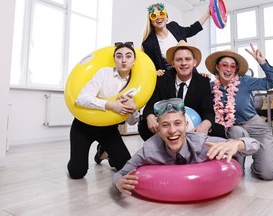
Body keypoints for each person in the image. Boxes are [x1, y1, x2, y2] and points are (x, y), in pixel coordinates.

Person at [114, 98, 260, 195]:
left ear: (186, 125)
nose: (172, 131)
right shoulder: (149, 150)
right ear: (158, 128)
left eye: (177, 123)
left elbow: (255, 145)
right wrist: (117, 183)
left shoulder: (202, 143)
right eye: (165, 125)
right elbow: (120, 174)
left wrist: (237, 143)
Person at [204, 44, 273, 180]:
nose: (228, 69)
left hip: (256, 127)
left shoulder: (245, 82)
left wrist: (262, 62)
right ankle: (238, 169)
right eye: (224, 65)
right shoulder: (210, 87)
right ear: (217, 67)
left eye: (232, 66)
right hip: (234, 129)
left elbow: (272, 81)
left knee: (267, 174)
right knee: (236, 132)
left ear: (237, 69)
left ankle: (265, 164)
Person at [67, 42, 139, 179]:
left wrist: (134, 110)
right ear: (114, 59)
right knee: (77, 172)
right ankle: (102, 150)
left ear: (134, 61)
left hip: (108, 130)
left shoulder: (138, 84)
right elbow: (81, 99)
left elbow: (131, 122)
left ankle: (104, 150)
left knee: (126, 168)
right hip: (83, 126)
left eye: (128, 56)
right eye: (119, 56)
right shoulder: (104, 73)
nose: (123, 60)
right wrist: (111, 105)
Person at [138, 40, 223, 141]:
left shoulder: (202, 82)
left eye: (188, 59)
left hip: (192, 126)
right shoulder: (162, 79)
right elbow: (152, 103)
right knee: (144, 125)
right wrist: (150, 117)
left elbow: (208, 110)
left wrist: (205, 124)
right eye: (179, 60)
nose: (183, 63)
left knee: (219, 130)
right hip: (168, 126)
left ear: (194, 62)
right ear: (172, 63)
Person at [141, 2, 210, 76]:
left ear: (167, 17)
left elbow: (192, 29)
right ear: (150, 21)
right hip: (170, 80)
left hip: (189, 73)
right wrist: (155, 72)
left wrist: (207, 14)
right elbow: (149, 67)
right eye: (154, 16)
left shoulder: (174, 27)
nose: (158, 18)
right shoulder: (148, 43)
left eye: (161, 14)